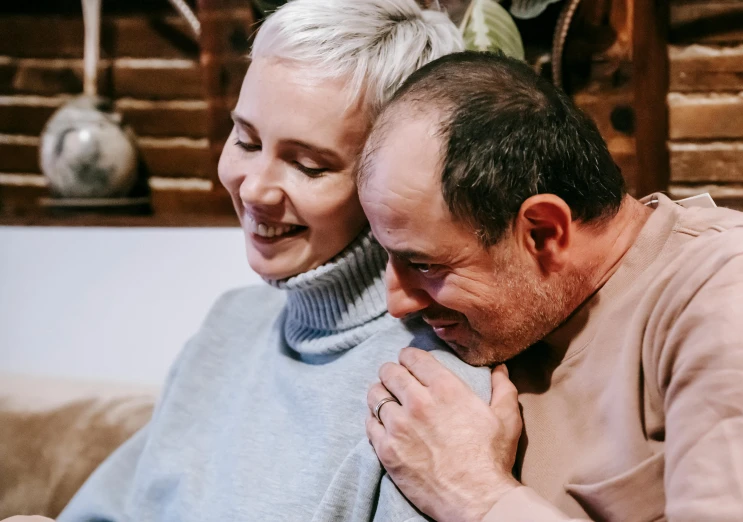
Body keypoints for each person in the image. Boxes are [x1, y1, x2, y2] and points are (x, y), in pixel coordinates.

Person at [49, 3, 490, 522]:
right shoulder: (231, 323)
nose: (254, 187)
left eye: (308, 165)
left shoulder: (427, 391)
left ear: (401, 185)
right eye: (246, 140)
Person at [357, 51, 743, 522]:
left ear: (542, 232)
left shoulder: (742, 291)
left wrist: (474, 494)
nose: (396, 303)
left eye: (426, 265)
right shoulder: (511, 320)